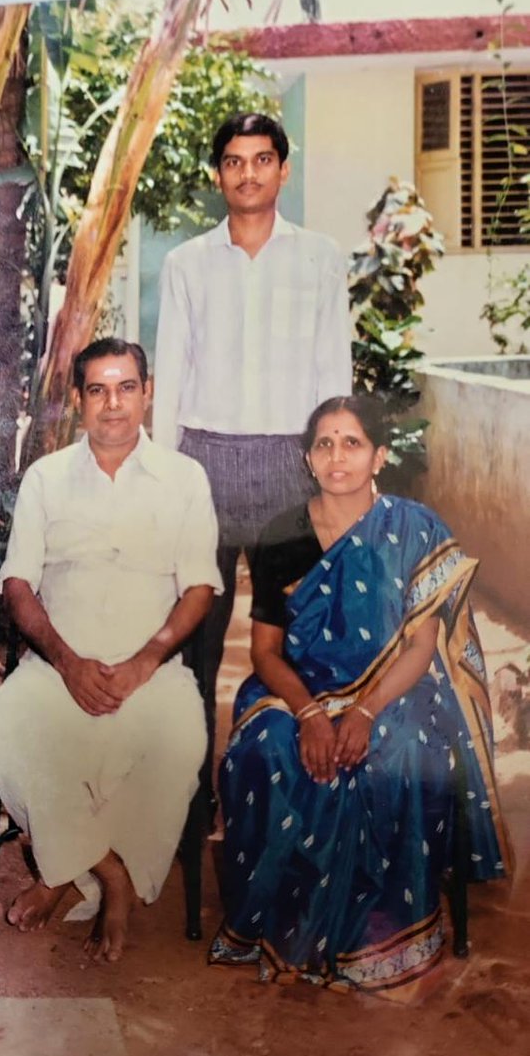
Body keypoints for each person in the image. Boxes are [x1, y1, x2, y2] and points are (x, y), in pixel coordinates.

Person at [209, 396, 510, 995]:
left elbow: (421, 647)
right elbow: (266, 653)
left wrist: (367, 711)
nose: (337, 455)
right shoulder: (281, 535)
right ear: (307, 458)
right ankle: (284, 919)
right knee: (267, 749)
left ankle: (378, 935)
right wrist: (313, 713)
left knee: (399, 750)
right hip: (301, 688)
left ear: (379, 456)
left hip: (397, 688)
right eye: (324, 443)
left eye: (351, 442)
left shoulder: (414, 529)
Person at [0, 338, 222, 962]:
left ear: (147, 394)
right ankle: (107, 875)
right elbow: (17, 584)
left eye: (125, 388)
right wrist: (66, 663)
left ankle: (59, 871)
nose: (112, 404)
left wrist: (146, 661)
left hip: (151, 673)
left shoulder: (185, 479)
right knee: (13, 723)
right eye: (97, 390)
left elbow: (199, 586)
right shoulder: (46, 478)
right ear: (79, 401)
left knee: (177, 740)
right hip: (59, 664)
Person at [152, 111, 352, 811]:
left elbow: (334, 374)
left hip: (285, 473)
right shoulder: (186, 264)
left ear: (282, 169)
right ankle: (189, 797)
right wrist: (165, 474)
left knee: (291, 641)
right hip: (203, 463)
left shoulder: (321, 258)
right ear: (218, 175)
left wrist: (331, 465)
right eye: (233, 162)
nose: (247, 173)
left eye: (260, 160)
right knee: (195, 647)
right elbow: (171, 376)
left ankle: (284, 794)